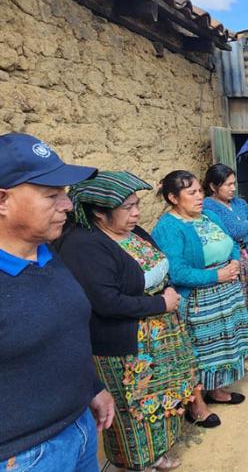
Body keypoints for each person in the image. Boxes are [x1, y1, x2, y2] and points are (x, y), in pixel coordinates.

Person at [57, 171, 196, 471]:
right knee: (132, 410)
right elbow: (106, 302)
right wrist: (161, 302)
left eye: (136, 205)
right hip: (125, 346)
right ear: (99, 212)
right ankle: (134, 463)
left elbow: (159, 263)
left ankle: (155, 453)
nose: (136, 213)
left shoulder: (134, 232)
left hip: (159, 334)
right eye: (127, 207)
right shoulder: (83, 245)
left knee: (160, 401)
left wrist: (169, 287)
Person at [0, 133, 114, 472]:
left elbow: (63, 333)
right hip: (24, 455)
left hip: (80, 428)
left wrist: (92, 388)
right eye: (52, 195)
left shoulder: (48, 254)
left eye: (64, 193)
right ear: (3, 200)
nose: (67, 204)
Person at [152, 170, 248, 428]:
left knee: (222, 344)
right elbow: (176, 271)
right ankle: (196, 404)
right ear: (173, 198)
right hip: (200, 299)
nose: (200, 197)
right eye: (192, 193)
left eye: (200, 191)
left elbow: (231, 241)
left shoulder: (208, 215)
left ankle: (216, 390)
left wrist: (233, 261)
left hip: (225, 290)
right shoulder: (169, 227)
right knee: (198, 352)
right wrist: (216, 275)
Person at [202, 164, 248, 351]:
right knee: (237, 304)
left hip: (247, 259)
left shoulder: (240, 203)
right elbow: (230, 232)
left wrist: (240, 237)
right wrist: (241, 229)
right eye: (227, 185)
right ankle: (240, 347)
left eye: (233, 184)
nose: (233, 188)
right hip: (229, 264)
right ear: (214, 186)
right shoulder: (208, 207)